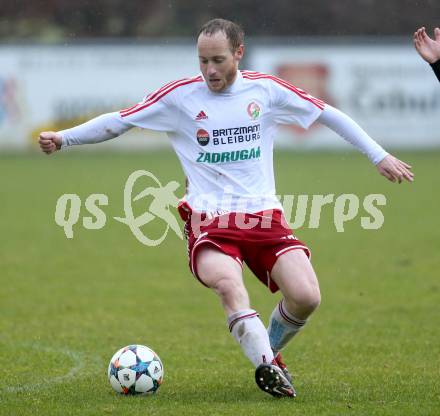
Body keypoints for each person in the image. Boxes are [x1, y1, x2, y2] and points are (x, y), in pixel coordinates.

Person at [39, 18, 414, 398]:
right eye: (202, 61)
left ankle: (267, 351)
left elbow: (327, 114)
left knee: (306, 296)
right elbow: (118, 122)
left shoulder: (265, 91)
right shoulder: (180, 97)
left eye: (217, 60)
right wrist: (64, 138)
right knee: (228, 284)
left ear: (239, 52)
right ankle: (266, 368)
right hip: (209, 220)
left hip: (263, 216)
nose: (209, 70)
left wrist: (378, 156)